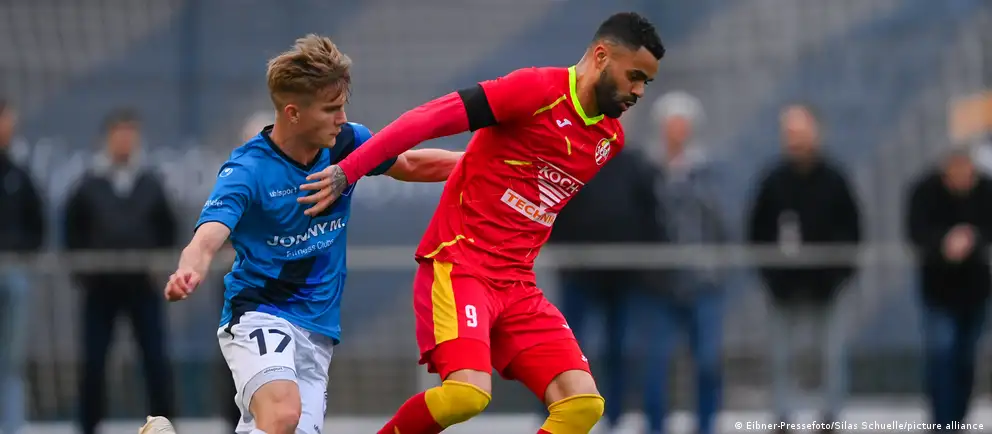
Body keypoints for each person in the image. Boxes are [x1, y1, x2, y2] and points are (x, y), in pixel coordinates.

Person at [299, 12, 665, 434]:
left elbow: (499, 169)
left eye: (646, 82)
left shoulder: (609, 140)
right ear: (601, 56)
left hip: (518, 286)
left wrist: (452, 167)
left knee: (582, 405)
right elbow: (429, 119)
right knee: (466, 394)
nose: (639, 91)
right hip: (461, 268)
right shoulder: (535, 89)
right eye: (634, 76)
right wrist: (349, 170)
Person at [140, 35, 463, 434]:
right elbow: (208, 235)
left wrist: (488, 162)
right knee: (282, 415)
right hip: (260, 312)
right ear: (293, 113)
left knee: (281, 428)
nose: (342, 118)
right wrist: (190, 268)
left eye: (342, 106)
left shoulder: (348, 143)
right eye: (331, 109)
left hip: (318, 329)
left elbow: (410, 164)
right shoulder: (248, 170)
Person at [746, 104, 861, 432]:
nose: (795, 140)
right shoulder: (773, 181)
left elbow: (852, 228)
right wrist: (771, 273)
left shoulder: (834, 179)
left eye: (800, 132)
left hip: (827, 285)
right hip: (783, 286)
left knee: (831, 354)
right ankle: (783, 416)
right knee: (781, 355)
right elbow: (757, 230)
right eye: (790, 133)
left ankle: (830, 417)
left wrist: (839, 273)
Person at [64, 108, 178, 434]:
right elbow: (72, 229)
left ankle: (164, 426)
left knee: (155, 359)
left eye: (131, 134)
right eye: (120, 134)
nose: (126, 141)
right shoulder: (88, 184)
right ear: (108, 138)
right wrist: (84, 273)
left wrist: (158, 266)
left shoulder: (150, 183)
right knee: (94, 361)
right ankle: (88, 425)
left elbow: (168, 227)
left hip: (142, 285)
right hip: (101, 287)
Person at [643, 91, 729, 434]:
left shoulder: (707, 172)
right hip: (660, 284)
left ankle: (706, 423)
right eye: (671, 125)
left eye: (682, 125)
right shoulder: (648, 171)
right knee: (657, 362)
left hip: (702, 281)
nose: (676, 132)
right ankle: (655, 425)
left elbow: (721, 221)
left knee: (707, 359)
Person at [906, 148, 992, 429]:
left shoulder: (985, 191)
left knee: (966, 359)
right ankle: (943, 423)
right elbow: (916, 232)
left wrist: (972, 239)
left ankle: (958, 417)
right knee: (942, 356)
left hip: (976, 291)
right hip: (938, 292)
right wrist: (944, 243)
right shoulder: (925, 192)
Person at [0, 99, 44, 434]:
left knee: (12, 358)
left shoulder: (17, 174)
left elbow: (36, 222)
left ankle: (11, 425)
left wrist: (21, 249)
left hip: (13, 270)